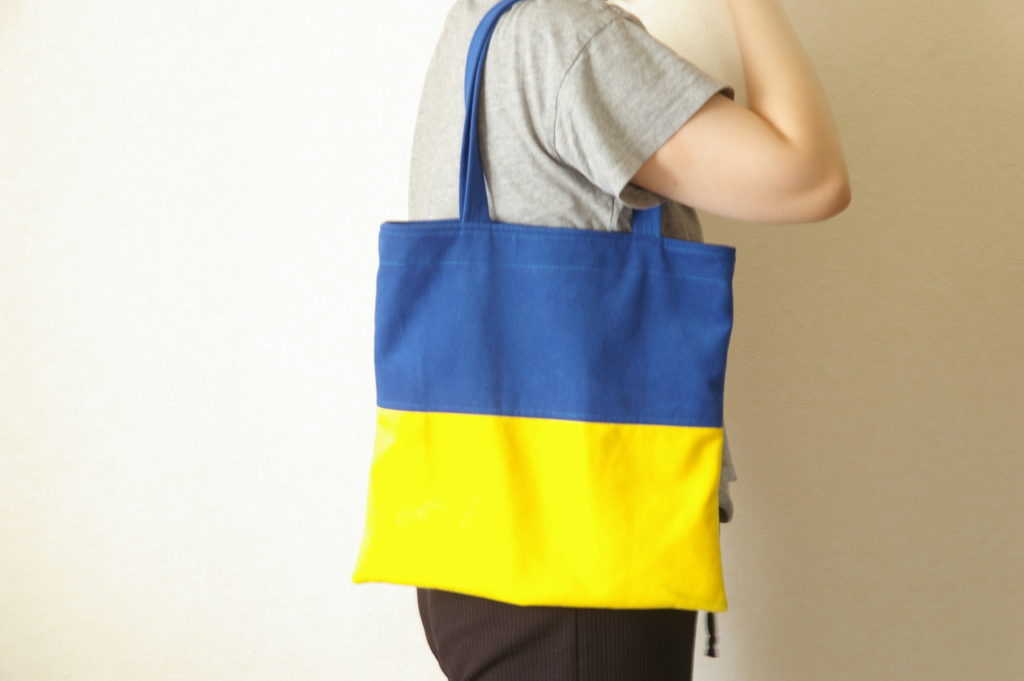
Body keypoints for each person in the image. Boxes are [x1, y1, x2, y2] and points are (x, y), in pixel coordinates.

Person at [406, 0, 851, 679]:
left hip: (475, 544)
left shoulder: (480, 27)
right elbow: (811, 178)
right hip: (580, 570)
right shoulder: (566, 40)